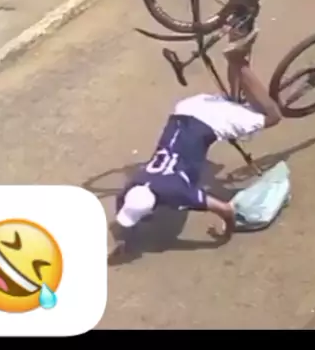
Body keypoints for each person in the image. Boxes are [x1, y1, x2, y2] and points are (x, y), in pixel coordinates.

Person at [116, 24, 281, 239]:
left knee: (272, 117)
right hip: (185, 111)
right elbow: (123, 205)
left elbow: (225, 210)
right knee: (233, 101)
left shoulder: (177, 192)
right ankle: (235, 41)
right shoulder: (135, 185)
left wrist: (225, 235)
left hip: (209, 122)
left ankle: (239, 62)